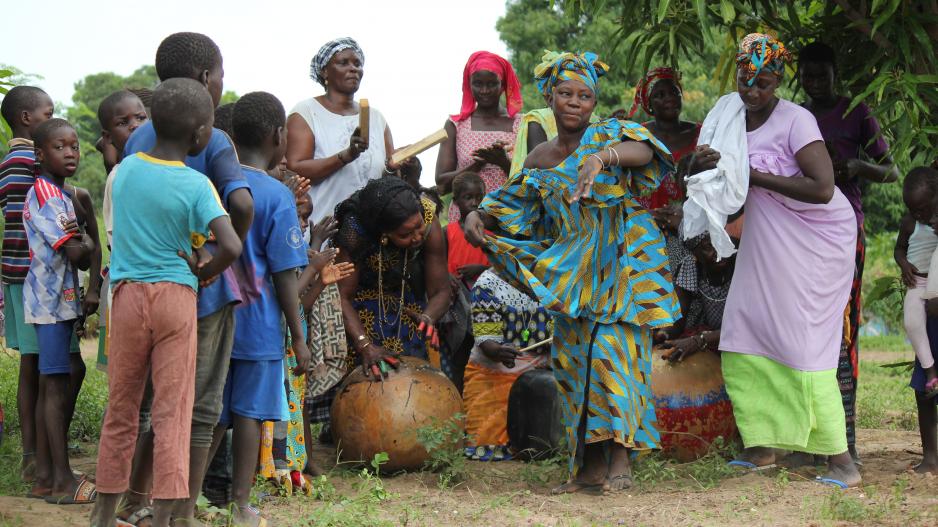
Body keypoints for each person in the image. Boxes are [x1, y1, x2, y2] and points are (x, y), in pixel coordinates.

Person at [465, 50, 679, 494]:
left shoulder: (610, 135)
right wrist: (475, 219)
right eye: (566, 93)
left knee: (613, 360)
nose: (576, 102)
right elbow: (511, 204)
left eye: (585, 95)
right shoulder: (541, 158)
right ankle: (590, 468)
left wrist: (603, 158)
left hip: (622, 266)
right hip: (574, 275)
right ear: (550, 97)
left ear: (594, 102)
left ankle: (621, 460)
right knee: (577, 367)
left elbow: (646, 151)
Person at [90, 77, 242, 527]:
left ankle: (102, 515)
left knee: (122, 407)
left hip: (128, 296)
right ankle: (167, 516)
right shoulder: (197, 185)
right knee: (172, 412)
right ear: (200, 136)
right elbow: (230, 245)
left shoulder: (126, 171)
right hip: (177, 297)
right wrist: (205, 270)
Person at [122, 32, 256, 524]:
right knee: (199, 407)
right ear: (205, 79)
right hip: (202, 288)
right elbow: (242, 204)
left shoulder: (139, 137)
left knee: (152, 403)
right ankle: (179, 511)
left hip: (143, 286)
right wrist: (217, 257)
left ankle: (135, 500)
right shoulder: (215, 139)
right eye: (220, 74)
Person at [715, 33, 860, 487]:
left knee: (804, 344)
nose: (752, 89)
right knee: (744, 329)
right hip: (767, 236)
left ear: (778, 81)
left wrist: (753, 175)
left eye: (763, 81)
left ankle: (842, 462)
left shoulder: (795, 120)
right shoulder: (729, 116)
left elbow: (822, 188)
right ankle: (762, 446)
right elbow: (729, 184)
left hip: (815, 237)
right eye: (745, 78)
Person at [210, 91, 310, 526]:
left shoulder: (214, 185)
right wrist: (299, 336)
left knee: (211, 409)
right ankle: (241, 501)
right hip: (259, 323)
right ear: (278, 135)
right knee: (249, 413)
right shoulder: (276, 195)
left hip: (212, 315)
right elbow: (286, 275)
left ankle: (188, 491)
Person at [799, 41, 899, 464]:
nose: (816, 82)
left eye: (823, 74)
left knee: (843, 330)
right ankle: (806, 439)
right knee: (802, 330)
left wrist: (858, 167)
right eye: (809, 76)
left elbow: (892, 170)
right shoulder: (794, 115)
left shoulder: (856, 112)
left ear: (835, 74)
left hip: (846, 231)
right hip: (800, 231)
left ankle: (847, 441)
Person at [22, 119, 97, 505]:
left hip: (58, 301)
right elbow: (76, 252)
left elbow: (82, 258)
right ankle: (61, 480)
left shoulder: (60, 194)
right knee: (53, 385)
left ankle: (49, 473)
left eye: (75, 146)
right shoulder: (49, 196)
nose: (70, 153)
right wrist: (84, 238)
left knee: (69, 372)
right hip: (49, 305)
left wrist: (82, 241)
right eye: (60, 147)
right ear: (40, 154)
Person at [0, 85, 66, 484]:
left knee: (32, 364)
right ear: (27, 119)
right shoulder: (31, 160)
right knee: (43, 367)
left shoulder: (9, 160)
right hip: (33, 277)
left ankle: (34, 453)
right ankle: (38, 457)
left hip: (13, 272)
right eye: (48, 113)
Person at [97, 89, 157, 526]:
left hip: (153, 296)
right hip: (130, 293)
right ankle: (120, 498)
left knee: (152, 406)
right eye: (124, 122)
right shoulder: (121, 176)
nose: (134, 127)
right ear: (109, 134)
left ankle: (140, 494)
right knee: (130, 404)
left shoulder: (153, 171)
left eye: (140, 118)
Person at [334, 177, 452, 379]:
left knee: (418, 379)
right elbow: (341, 297)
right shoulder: (355, 230)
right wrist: (364, 345)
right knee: (372, 382)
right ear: (384, 234)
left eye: (418, 227)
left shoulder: (426, 214)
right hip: (359, 311)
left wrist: (428, 317)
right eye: (406, 234)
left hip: (405, 305)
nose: (417, 237)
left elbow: (441, 290)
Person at [286, 37, 394, 225]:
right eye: (343, 63)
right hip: (323, 227)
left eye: (357, 64)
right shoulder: (306, 112)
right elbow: (294, 168)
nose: (354, 69)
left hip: (372, 231)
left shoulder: (376, 118)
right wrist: (346, 155)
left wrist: (399, 163)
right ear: (324, 71)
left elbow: (388, 169)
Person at [463, 268, 551, 461]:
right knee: (488, 447)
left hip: (545, 373)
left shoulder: (557, 276)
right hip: (493, 372)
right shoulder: (487, 283)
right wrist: (497, 351)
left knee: (544, 445)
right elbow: (486, 340)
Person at [436, 51, 523, 223]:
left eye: (492, 84)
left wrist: (503, 162)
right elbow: (442, 184)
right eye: (478, 84)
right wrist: (477, 165)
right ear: (469, 84)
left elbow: (532, 180)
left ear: (503, 84)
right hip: (463, 220)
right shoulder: (456, 125)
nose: (484, 90)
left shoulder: (522, 124)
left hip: (508, 220)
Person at [627, 67, 701, 210]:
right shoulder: (637, 135)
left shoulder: (701, 133)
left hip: (690, 223)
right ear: (649, 104)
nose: (669, 98)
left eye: (674, 92)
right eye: (660, 95)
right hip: (645, 223)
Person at [897, 168, 938, 396]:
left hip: (936, 282)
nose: (918, 214)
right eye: (912, 209)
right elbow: (899, 249)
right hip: (917, 282)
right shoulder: (910, 223)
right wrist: (904, 265)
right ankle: (930, 370)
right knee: (912, 323)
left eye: (922, 209)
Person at [445, 172, 489, 286]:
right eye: (468, 197)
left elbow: (504, 266)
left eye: (480, 197)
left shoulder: (494, 230)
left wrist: (482, 269)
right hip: (457, 292)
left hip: (490, 290)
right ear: (455, 201)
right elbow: (437, 264)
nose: (475, 203)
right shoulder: (447, 232)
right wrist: (447, 276)